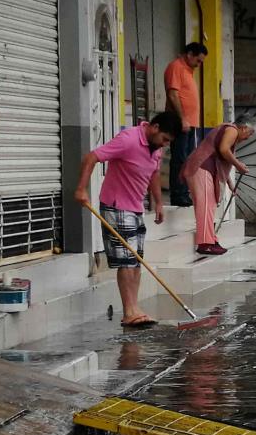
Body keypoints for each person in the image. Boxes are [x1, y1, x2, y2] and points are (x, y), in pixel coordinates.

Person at [74, 110, 182, 327]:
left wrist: (158, 203)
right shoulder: (128, 140)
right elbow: (92, 157)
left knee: (136, 261)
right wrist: (81, 189)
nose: (164, 145)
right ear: (155, 127)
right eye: (165, 139)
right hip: (116, 206)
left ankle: (135, 307)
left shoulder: (155, 149)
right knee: (126, 261)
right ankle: (129, 311)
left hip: (136, 207)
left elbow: (152, 174)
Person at [180, 114, 254, 255]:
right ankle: (205, 244)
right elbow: (223, 150)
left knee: (210, 206)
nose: (248, 138)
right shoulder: (232, 130)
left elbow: (221, 161)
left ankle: (211, 239)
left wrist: (231, 184)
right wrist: (238, 165)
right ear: (244, 128)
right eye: (250, 134)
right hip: (201, 168)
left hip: (205, 169)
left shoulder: (229, 131)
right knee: (206, 206)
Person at [164, 42, 208, 207]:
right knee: (180, 159)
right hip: (181, 122)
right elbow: (173, 95)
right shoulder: (176, 67)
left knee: (188, 159)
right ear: (189, 54)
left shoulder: (188, 71)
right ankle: (178, 194)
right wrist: (182, 118)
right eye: (198, 60)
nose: (199, 64)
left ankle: (184, 192)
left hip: (190, 124)